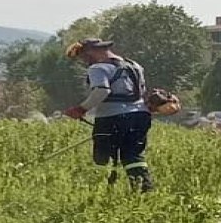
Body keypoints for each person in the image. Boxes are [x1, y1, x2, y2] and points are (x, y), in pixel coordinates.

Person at [62, 38, 155, 192]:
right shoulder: (135, 65)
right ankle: (144, 190)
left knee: (103, 158)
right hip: (140, 116)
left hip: (111, 118)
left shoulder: (98, 68)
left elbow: (102, 91)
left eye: (83, 56)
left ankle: (104, 193)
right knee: (133, 156)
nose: (84, 61)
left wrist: (81, 109)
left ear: (91, 51)